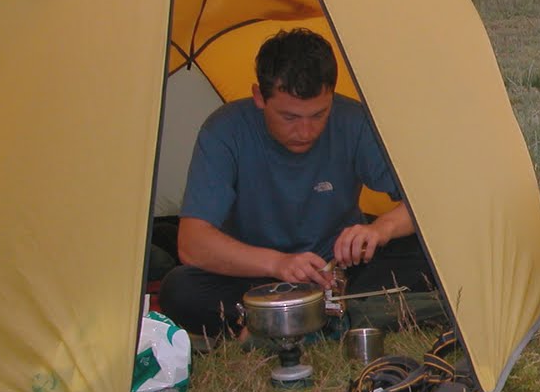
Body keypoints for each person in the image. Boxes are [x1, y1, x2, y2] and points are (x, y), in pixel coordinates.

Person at [159, 28, 438, 339]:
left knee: (435, 251)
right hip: (257, 276)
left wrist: (378, 230)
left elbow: (425, 201)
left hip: (340, 270)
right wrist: (278, 264)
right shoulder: (224, 132)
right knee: (179, 289)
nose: (306, 131)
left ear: (331, 95)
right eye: (290, 117)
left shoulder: (353, 120)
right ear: (259, 96)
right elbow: (192, 243)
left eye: (319, 115)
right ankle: (325, 318)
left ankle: (274, 324)